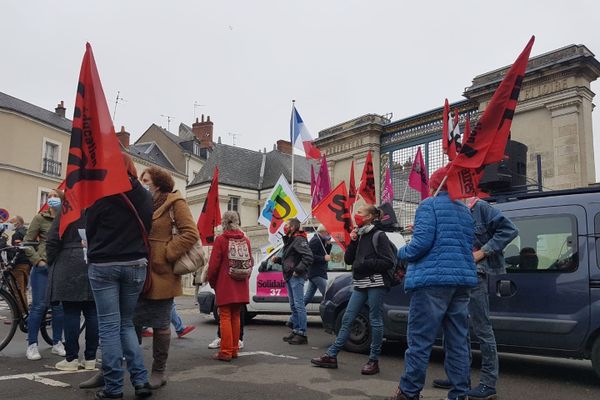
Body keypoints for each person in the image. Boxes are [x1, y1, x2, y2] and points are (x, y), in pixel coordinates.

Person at [389, 167, 478, 400]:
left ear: (434, 186)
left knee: (420, 341)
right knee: (458, 340)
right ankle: (460, 393)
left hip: (432, 281)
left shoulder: (428, 205)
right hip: (461, 281)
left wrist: (401, 252)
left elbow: (420, 245)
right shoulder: (465, 210)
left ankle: (408, 392)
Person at [432, 196, 518, 400]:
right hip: (453, 274)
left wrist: (483, 252)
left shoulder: (479, 207)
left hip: (475, 275)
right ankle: (458, 377)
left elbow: (509, 229)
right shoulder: (448, 208)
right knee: (454, 328)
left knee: (482, 329)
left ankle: (488, 384)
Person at [86, 153, 153, 400]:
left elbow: (90, 227)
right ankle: (141, 381)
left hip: (104, 265)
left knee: (109, 327)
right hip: (136, 264)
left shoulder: (100, 191)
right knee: (126, 324)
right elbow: (148, 227)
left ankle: (113, 387)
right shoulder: (145, 195)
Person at [134, 166, 199, 389]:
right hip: (138, 269)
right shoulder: (141, 203)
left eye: (146, 180)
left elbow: (191, 233)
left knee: (161, 324)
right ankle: (132, 368)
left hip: (162, 273)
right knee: (132, 323)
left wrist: (167, 253)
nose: (142, 183)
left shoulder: (175, 202)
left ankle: (158, 371)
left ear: (158, 183)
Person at [311, 205, 395, 375]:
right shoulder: (360, 235)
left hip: (376, 283)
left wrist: (364, 264)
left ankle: (373, 360)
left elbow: (388, 261)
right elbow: (349, 259)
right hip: (360, 283)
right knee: (348, 318)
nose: (357, 215)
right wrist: (354, 240)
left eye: (360, 212)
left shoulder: (379, 235)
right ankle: (332, 355)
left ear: (370, 216)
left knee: (375, 320)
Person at [46, 200, 99, 372]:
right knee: (92, 311)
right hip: (93, 259)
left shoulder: (69, 207)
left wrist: (51, 260)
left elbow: (53, 238)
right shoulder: (99, 206)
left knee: (71, 311)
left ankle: (71, 358)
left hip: (68, 260)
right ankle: (90, 358)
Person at [23, 190, 65, 360]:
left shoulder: (67, 219)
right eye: (49, 196)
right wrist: (37, 261)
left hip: (61, 268)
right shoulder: (40, 218)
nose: (51, 199)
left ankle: (57, 343)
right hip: (43, 268)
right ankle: (32, 345)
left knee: (59, 308)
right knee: (39, 307)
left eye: (55, 196)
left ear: (62, 200)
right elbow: (27, 242)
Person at [206, 211, 253, 361]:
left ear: (224, 223)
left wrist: (213, 283)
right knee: (236, 315)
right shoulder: (246, 240)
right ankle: (233, 349)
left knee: (224, 316)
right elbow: (250, 262)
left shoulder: (221, 240)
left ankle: (225, 351)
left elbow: (213, 266)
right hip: (240, 283)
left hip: (225, 283)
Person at [278, 218, 313, 345]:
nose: (285, 226)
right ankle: (296, 330)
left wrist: (298, 270)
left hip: (295, 276)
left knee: (299, 305)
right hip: (289, 275)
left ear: (293, 227)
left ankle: (302, 333)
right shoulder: (291, 240)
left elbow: (308, 256)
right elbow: (292, 257)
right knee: (294, 305)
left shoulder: (299, 239)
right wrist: (278, 260)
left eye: (287, 225)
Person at [8, 216, 31, 311]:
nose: (9, 225)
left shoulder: (17, 234)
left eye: (11, 222)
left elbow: (17, 251)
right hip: (27, 264)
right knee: (22, 290)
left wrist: (11, 264)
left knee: (18, 290)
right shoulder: (26, 232)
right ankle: (24, 310)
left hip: (19, 265)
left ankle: (22, 312)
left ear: (17, 223)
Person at [304, 224, 332, 304]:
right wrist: (323, 258)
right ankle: (330, 312)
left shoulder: (321, 240)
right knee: (327, 294)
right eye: (327, 232)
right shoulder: (315, 240)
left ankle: (297, 312)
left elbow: (325, 253)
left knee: (308, 296)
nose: (328, 234)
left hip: (317, 272)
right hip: (316, 272)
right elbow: (310, 256)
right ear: (323, 232)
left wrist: (329, 244)